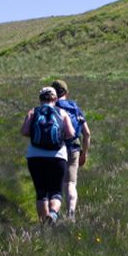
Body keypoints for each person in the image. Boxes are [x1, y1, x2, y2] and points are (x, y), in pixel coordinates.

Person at [21, 86, 75, 226]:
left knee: (41, 192)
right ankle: (53, 213)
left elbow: (25, 131)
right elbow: (71, 133)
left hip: (35, 156)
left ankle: (44, 226)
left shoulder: (33, 112)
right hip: (58, 156)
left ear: (40, 98)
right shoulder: (62, 113)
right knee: (56, 191)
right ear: (55, 98)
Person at [51, 79, 91, 219]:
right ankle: (71, 214)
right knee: (71, 183)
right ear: (67, 93)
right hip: (74, 148)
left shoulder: (51, 108)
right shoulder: (75, 108)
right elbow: (87, 133)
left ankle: (52, 214)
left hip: (55, 150)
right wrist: (84, 154)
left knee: (55, 184)